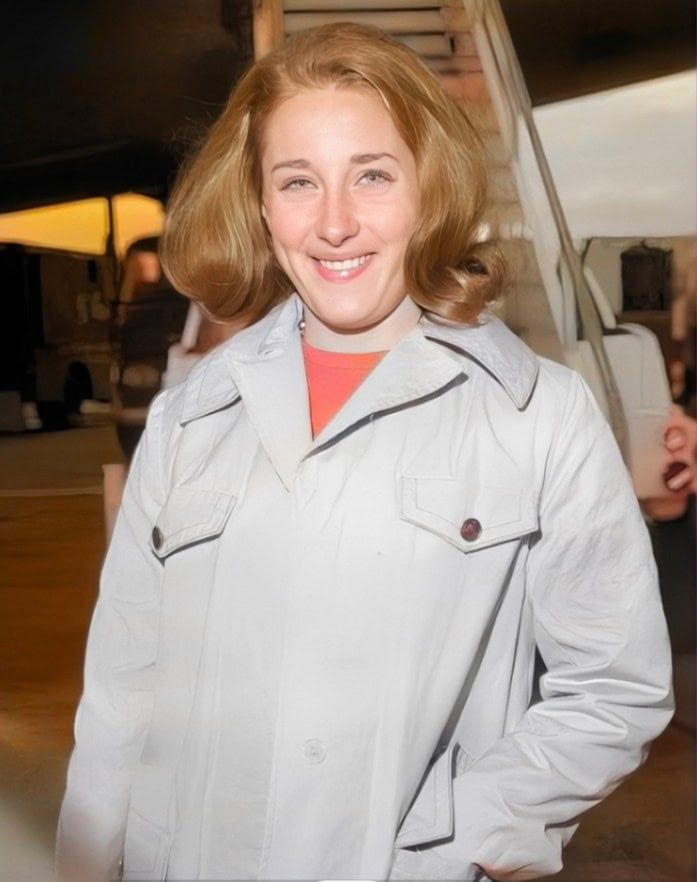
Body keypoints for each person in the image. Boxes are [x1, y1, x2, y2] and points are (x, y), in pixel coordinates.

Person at [56, 23, 673, 882]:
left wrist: (461, 838)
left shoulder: (537, 414)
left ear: (429, 189)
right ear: (261, 205)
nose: (335, 223)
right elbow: (124, 688)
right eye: (298, 181)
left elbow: (614, 689)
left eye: (373, 176)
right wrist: (84, 867)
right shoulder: (193, 414)